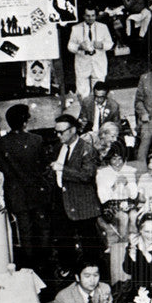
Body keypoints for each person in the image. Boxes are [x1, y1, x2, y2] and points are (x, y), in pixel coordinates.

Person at [0, 104, 55, 272]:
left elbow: (0, 167)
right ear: (25, 122)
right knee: (43, 227)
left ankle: (30, 265)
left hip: (16, 193)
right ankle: (46, 264)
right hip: (37, 191)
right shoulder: (36, 140)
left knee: (24, 229)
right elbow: (43, 164)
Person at [51, 114, 103, 271]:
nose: (59, 135)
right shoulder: (58, 148)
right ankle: (70, 272)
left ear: (73, 130)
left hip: (83, 204)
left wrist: (63, 169)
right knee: (63, 240)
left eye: (62, 132)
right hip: (63, 201)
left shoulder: (87, 149)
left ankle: (93, 274)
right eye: (56, 132)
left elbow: (87, 175)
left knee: (89, 245)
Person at [69, 7, 114, 98]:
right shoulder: (76, 29)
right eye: (88, 16)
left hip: (98, 62)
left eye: (93, 15)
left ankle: (97, 110)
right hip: (82, 62)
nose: (91, 18)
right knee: (82, 91)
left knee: (99, 90)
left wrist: (102, 45)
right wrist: (79, 47)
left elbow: (110, 44)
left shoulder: (103, 27)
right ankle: (85, 110)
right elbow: (70, 46)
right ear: (83, 16)